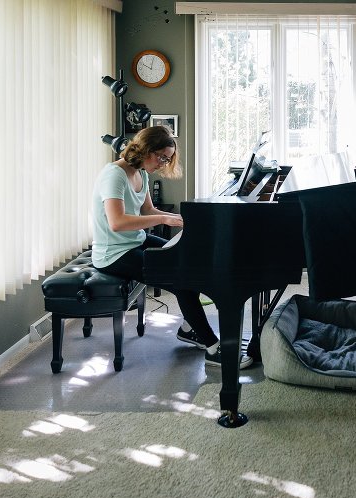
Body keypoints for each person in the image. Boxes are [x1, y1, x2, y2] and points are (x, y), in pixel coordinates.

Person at [91, 125, 252, 369]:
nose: (163, 163)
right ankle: (212, 347)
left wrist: (177, 219)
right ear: (146, 149)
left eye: (167, 159)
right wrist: (164, 219)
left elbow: (147, 211)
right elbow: (117, 222)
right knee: (180, 279)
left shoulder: (141, 173)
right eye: (162, 157)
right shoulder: (114, 175)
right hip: (113, 253)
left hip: (134, 241)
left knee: (186, 260)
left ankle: (189, 328)